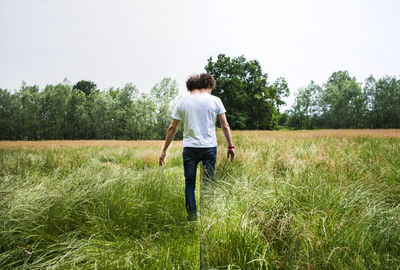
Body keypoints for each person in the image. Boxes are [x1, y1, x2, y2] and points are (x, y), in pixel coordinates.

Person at [159, 73, 235, 221]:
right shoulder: (215, 100)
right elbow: (225, 125)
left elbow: (172, 128)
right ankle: (207, 218)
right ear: (210, 86)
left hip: (190, 149)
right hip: (209, 148)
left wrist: (164, 150)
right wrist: (230, 146)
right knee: (208, 184)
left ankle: (192, 218)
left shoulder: (182, 102)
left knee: (189, 185)